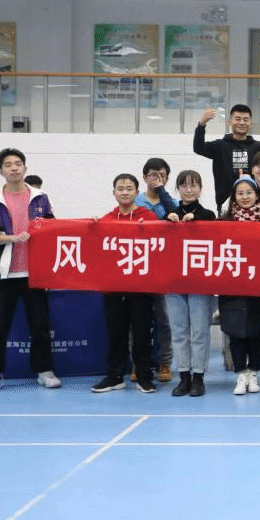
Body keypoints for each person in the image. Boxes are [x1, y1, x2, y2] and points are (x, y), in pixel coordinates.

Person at [0, 148, 60, 394]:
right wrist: (10, 238)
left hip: (35, 273)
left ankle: (45, 371)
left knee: (40, 326)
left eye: (18, 163)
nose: (14, 168)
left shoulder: (40, 198)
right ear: (0, 171)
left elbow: (53, 227)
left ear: (25, 168)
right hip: (3, 274)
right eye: (8, 164)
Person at [91, 174, 159, 394]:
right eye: (120, 189)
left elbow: (161, 246)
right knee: (115, 333)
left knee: (142, 334)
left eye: (129, 188)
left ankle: (145, 377)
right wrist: (93, 227)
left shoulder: (148, 217)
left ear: (137, 192)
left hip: (141, 287)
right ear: (114, 193)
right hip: (113, 288)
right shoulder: (107, 219)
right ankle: (114, 377)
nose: (125, 192)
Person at [164, 170, 216, 397]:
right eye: (184, 185)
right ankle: (183, 376)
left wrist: (197, 224)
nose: (189, 189)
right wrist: (168, 223)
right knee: (179, 331)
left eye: (193, 185)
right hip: (174, 282)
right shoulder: (169, 216)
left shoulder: (209, 215)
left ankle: (198, 377)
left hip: (200, 283)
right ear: (177, 189)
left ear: (200, 188)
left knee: (200, 331)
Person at [219, 176, 260, 396]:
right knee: (236, 331)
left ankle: (253, 373)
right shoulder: (223, 222)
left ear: (257, 195)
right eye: (240, 193)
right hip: (233, 284)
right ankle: (240, 374)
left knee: (256, 332)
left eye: (249, 192)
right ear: (234, 197)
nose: (245, 197)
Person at [193, 104, 260, 209]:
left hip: (254, 205)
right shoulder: (219, 146)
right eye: (238, 119)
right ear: (230, 121)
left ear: (250, 123)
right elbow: (198, 148)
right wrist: (201, 124)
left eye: (245, 120)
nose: (242, 123)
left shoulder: (257, 147)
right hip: (226, 206)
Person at [134, 157, 178, 384]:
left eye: (162, 175)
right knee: (138, 320)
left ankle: (165, 362)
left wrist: (162, 192)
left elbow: (178, 221)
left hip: (164, 269)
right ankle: (138, 363)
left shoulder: (172, 202)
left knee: (164, 320)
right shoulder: (135, 200)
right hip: (138, 267)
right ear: (144, 177)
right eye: (153, 175)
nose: (157, 179)